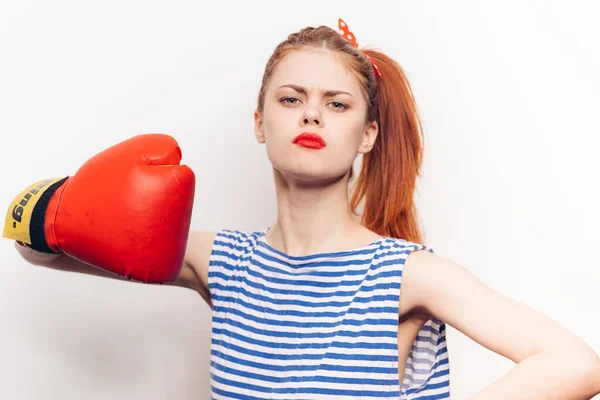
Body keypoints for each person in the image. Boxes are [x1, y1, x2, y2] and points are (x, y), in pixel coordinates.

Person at [6, 18, 600, 400]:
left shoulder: (407, 273)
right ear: (261, 124)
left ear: (367, 135)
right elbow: (36, 249)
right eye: (291, 99)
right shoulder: (224, 261)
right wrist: (68, 205)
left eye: (336, 104)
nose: (311, 115)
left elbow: (574, 363)